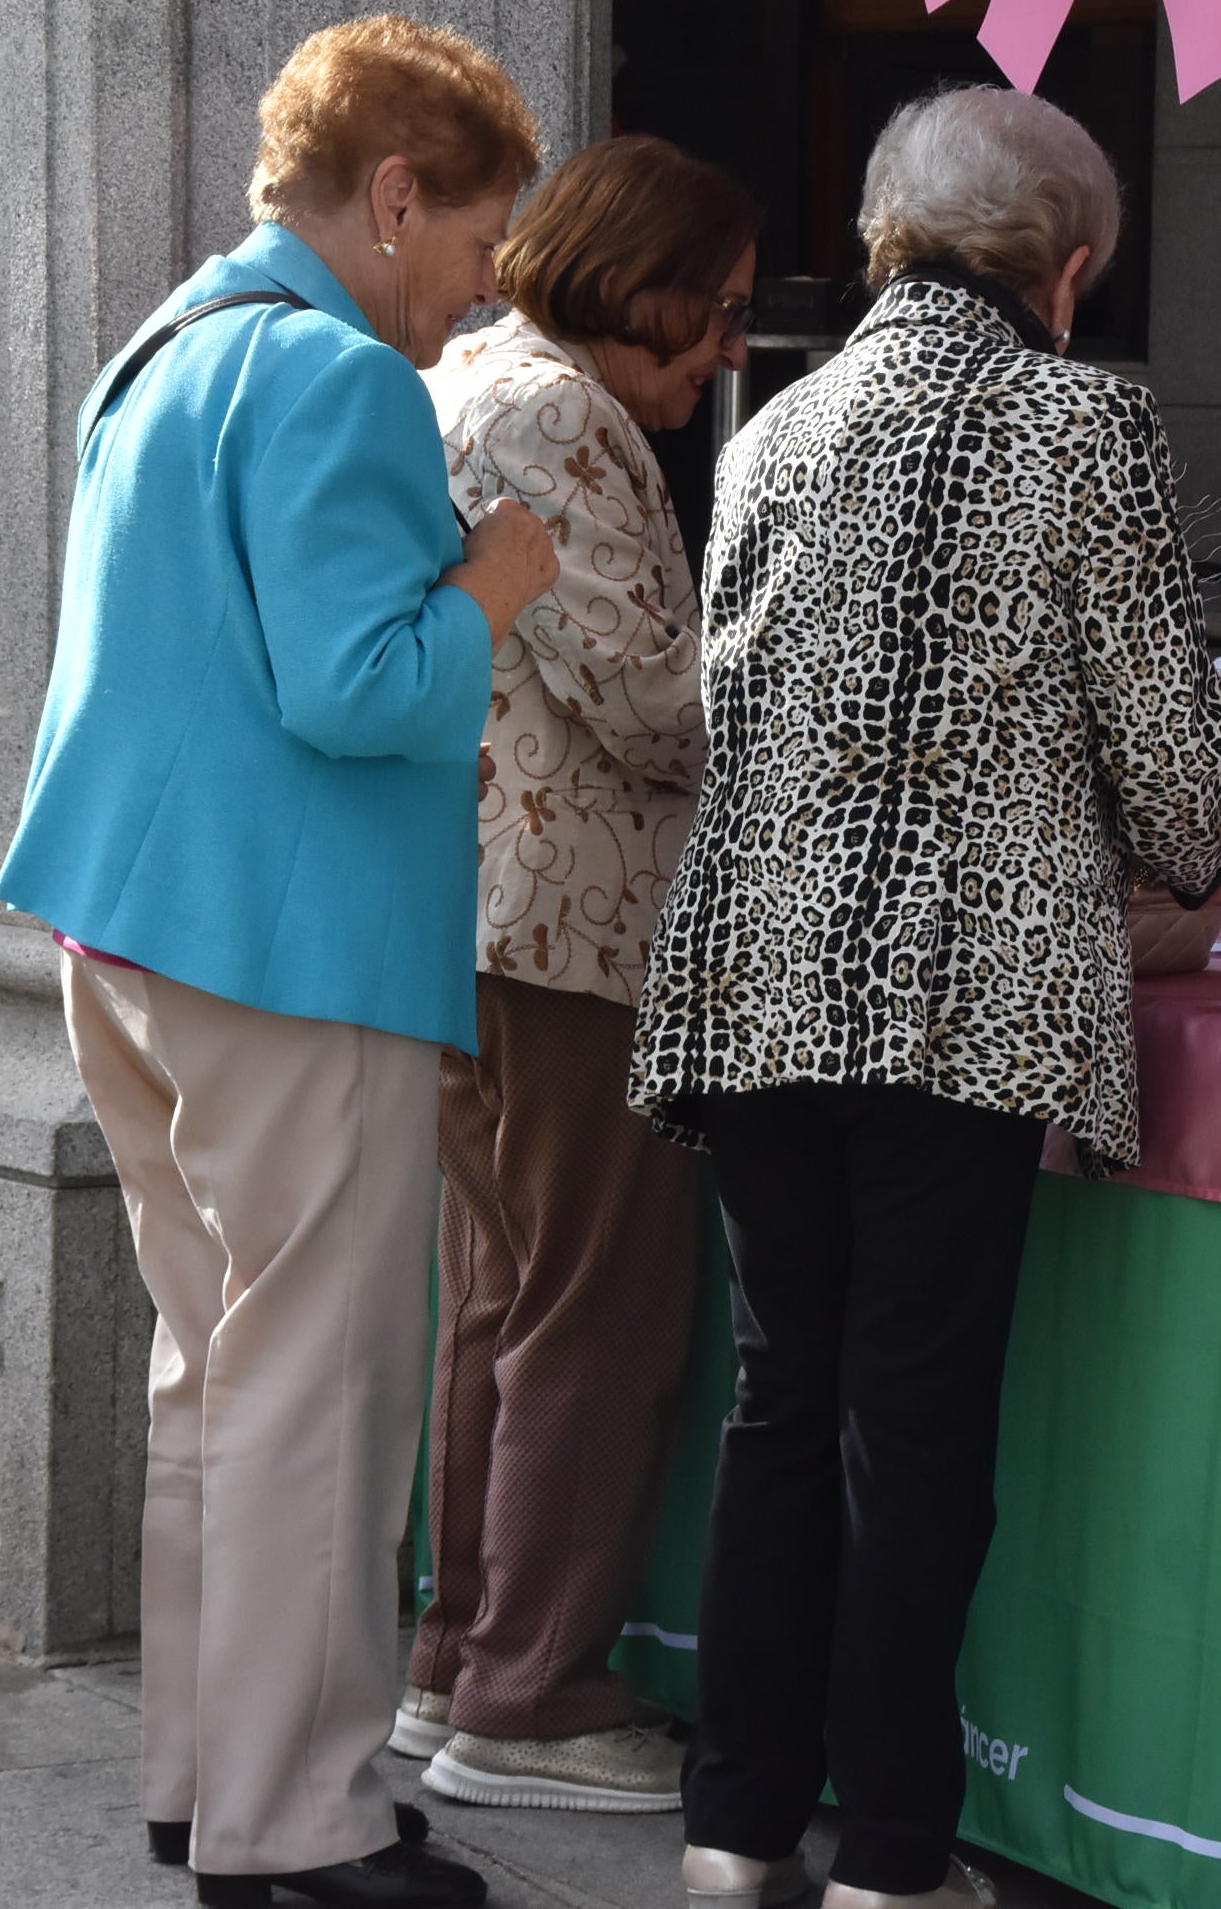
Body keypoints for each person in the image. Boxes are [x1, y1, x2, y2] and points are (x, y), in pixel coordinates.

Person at [631, 87, 1221, 1909]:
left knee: (779, 1406)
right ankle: (894, 1854)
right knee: (910, 1431)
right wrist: (1205, 850)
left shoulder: (778, 423)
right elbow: (1169, 778)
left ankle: (735, 1830)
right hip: (957, 1001)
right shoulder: (1085, 417)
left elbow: (727, 702)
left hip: (756, 981)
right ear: (1064, 270)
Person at [0, 16, 556, 1908]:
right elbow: (364, 684)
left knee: (215, 1373)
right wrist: (493, 575)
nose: (479, 289)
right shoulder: (335, 380)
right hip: (290, 951)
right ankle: (300, 1822)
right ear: (393, 197)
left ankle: (207, 1782)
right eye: (475, 241)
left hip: (133, 930)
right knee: (315, 1389)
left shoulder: (158, 348)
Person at [389, 135, 760, 1816]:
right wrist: (795, 638)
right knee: (591, 1312)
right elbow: (649, 702)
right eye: (717, 312)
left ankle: (461, 1657)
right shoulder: (548, 407)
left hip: (480, 925)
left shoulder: (476, 374)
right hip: (568, 933)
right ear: (639, 276)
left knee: (499, 1296)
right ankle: (530, 1694)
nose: (726, 354)